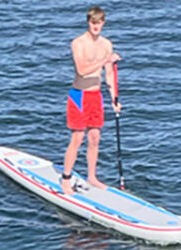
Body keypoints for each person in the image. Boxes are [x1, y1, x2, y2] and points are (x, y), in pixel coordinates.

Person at [62, 5, 121, 193]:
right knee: (78, 137)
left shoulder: (106, 45)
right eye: (93, 23)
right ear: (88, 22)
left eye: (99, 23)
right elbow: (81, 70)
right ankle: (66, 178)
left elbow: (109, 74)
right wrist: (104, 61)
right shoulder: (78, 43)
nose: (96, 26)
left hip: (96, 95)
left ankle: (92, 176)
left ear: (103, 23)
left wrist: (114, 98)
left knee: (95, 137)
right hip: (79, 95)